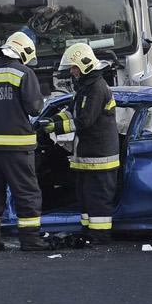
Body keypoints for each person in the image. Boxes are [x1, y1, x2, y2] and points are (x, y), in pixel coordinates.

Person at [0, 31, 47, 252]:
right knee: (26, 193)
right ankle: (30, 240)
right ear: (23, 52)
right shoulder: (24, 73)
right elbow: (35, 108)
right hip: (16, 146)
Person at [44, 41, 120, 244]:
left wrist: (57, 129)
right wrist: (53, 120)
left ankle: (100, 236)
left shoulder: (98, 88)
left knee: (97, 201)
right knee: (85, 199)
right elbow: (71, 111)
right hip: (86, 156)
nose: (73, 72)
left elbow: (84, 120)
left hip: (100, 157)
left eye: (75, 67)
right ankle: (88, 234)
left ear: (85, 64)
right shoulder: (84, 88)